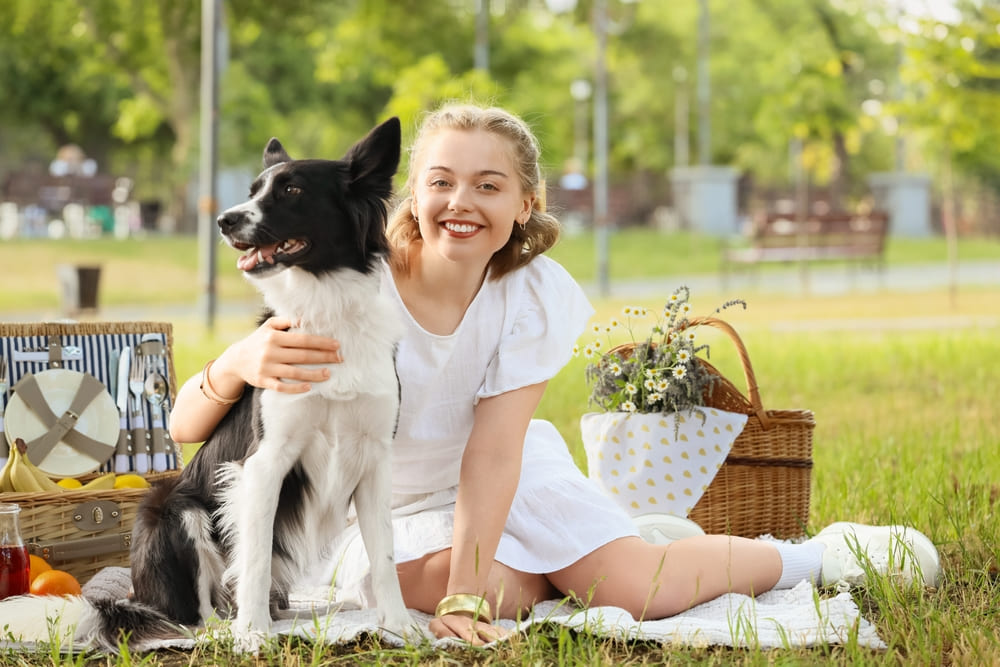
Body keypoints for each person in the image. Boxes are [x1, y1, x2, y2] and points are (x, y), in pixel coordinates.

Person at [169, 104, 940, 645]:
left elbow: (494, 452)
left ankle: (819, 553)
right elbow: (187, 432)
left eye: (488, 185)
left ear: (524, 203)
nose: (460, 202)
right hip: (383, 504)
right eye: (440, 181)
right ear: (411, 194)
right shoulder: (341, 276)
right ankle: (595, 548)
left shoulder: (530, 295)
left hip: (503, 473)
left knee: (636, 590)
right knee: (466, 593)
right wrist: (236, 360)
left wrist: (470, 588)